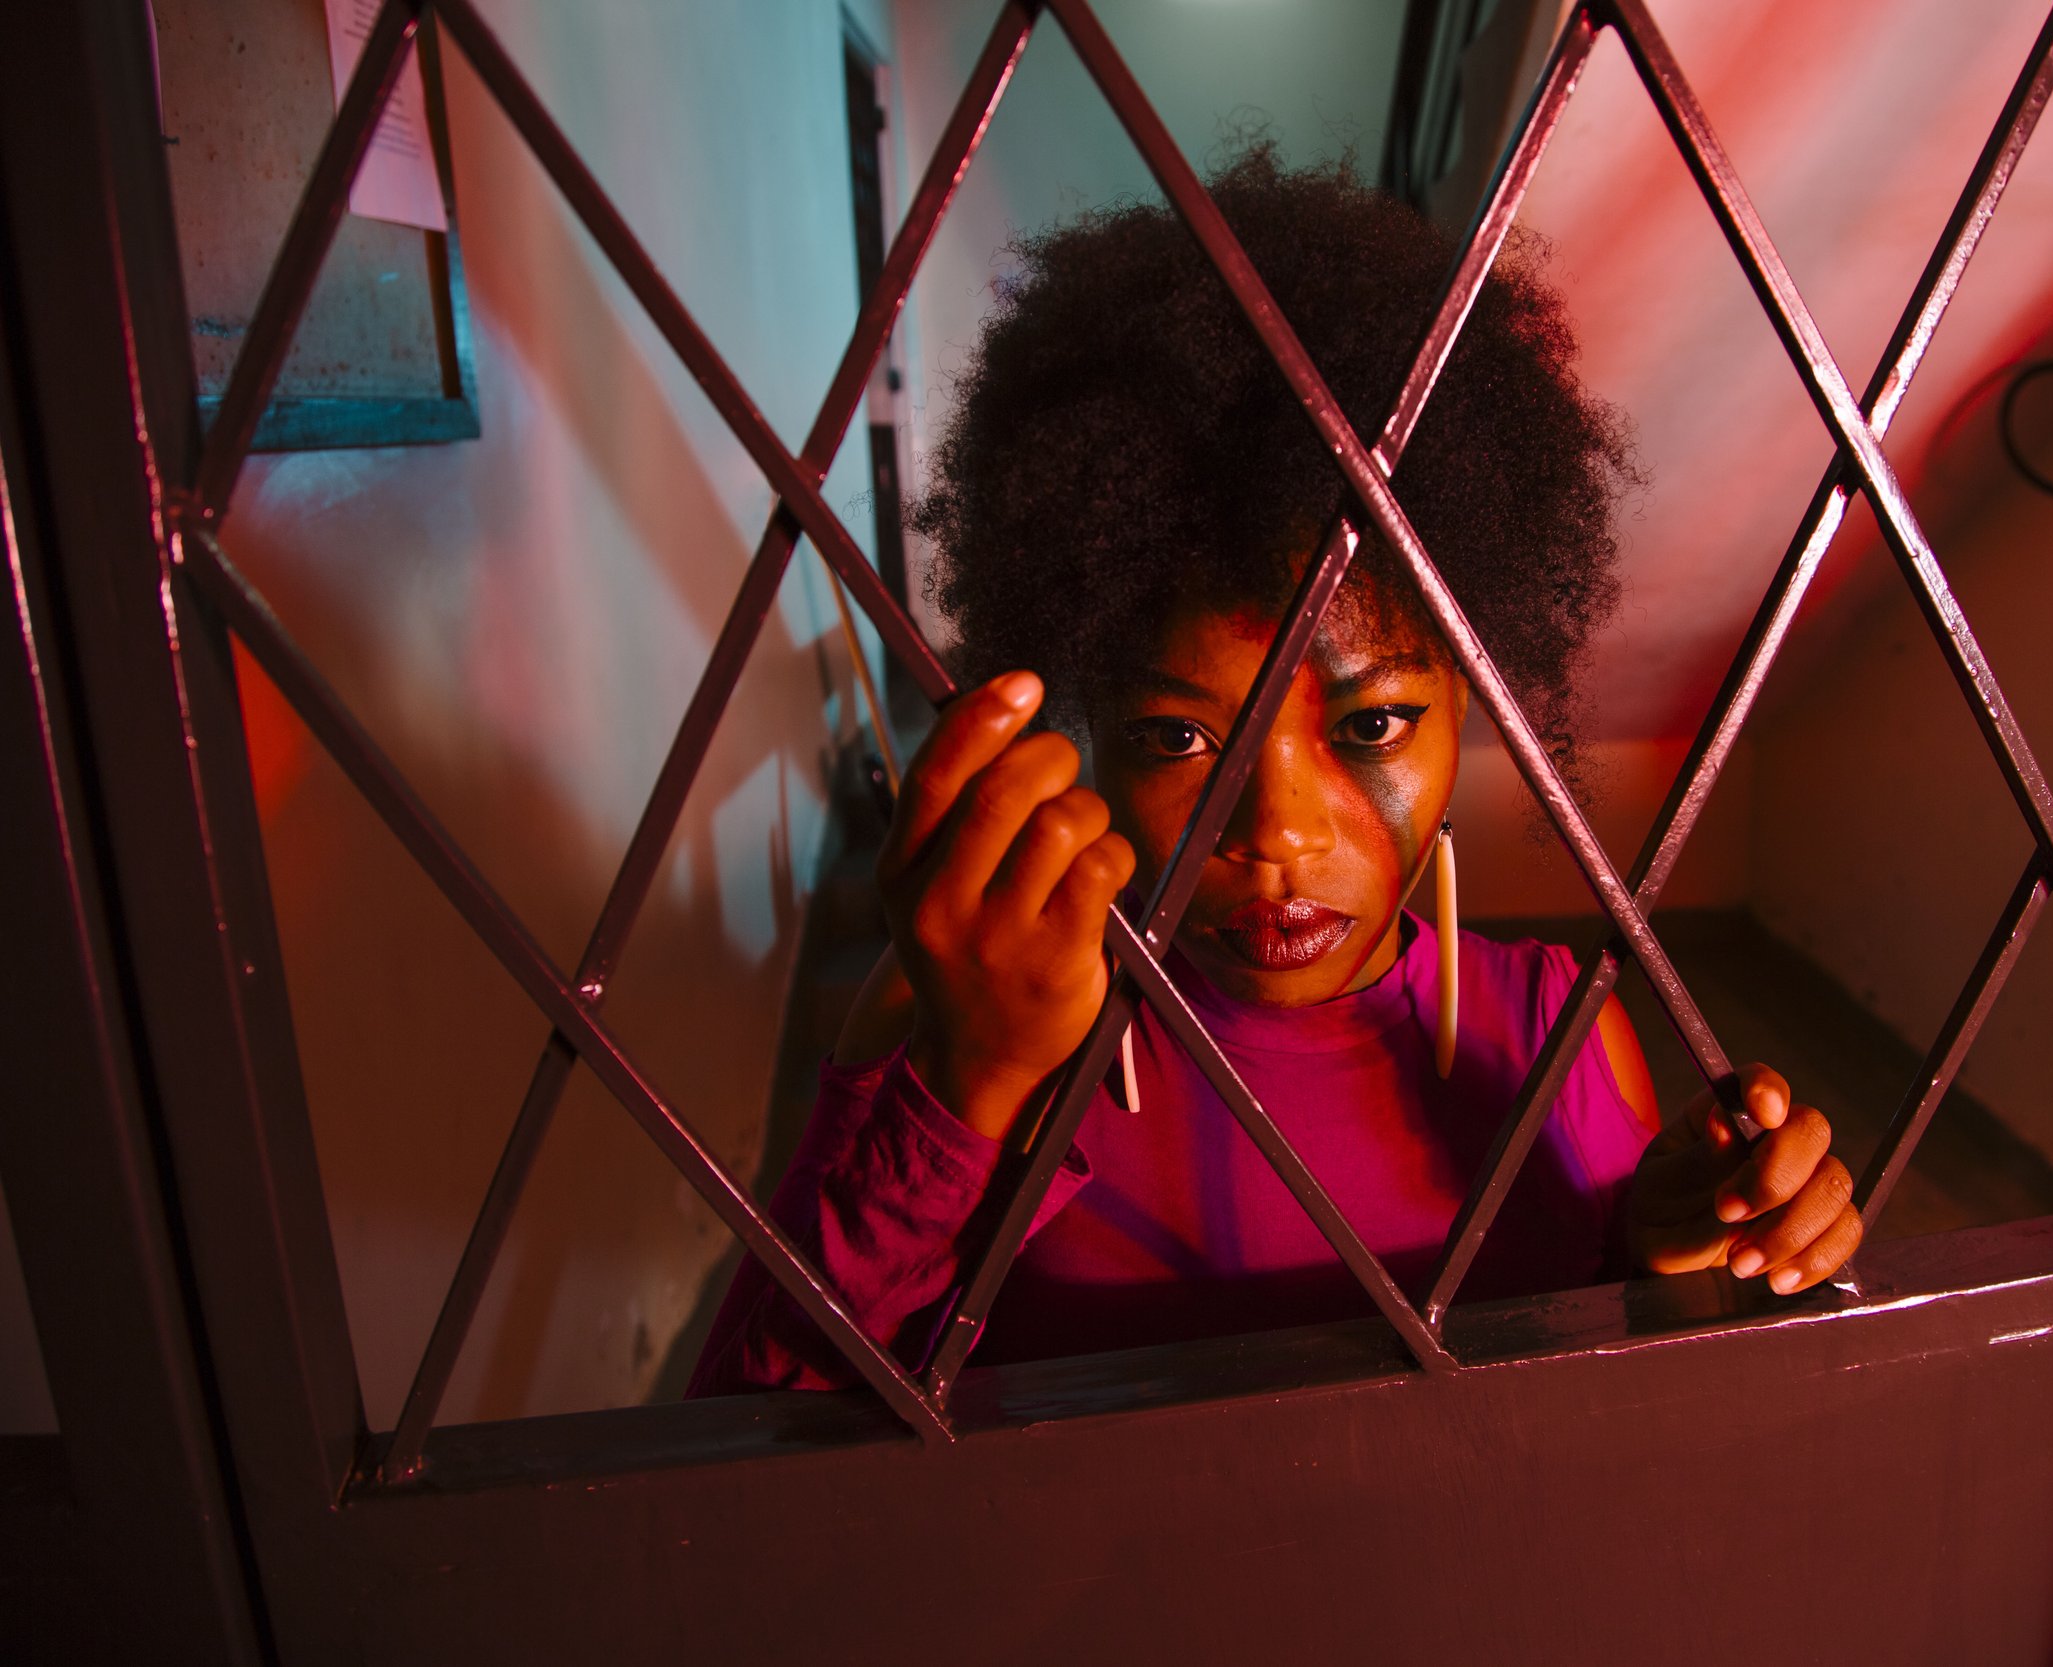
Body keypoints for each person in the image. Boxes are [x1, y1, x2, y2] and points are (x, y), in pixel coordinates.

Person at [688, 149, 1861, 1394]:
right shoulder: (972, 1007)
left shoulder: (1561, 1035)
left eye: (1368, 728)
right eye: (1178, 736)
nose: (1279, 829)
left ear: (1472, 691)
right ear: (1093, 713)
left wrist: (1656, 1250)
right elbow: (724, 1469)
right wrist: (972, 1079)